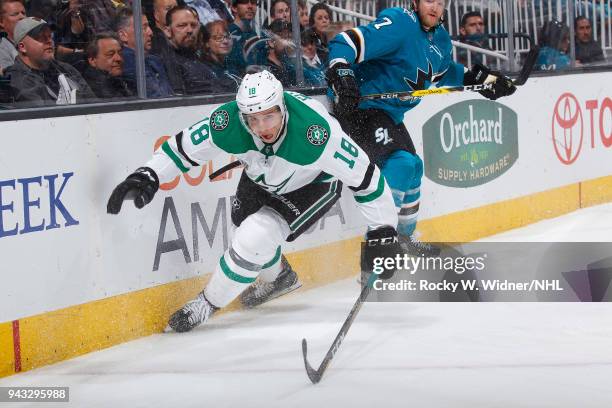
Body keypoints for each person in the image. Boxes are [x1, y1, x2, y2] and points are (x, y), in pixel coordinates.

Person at [107, 70, 400, 332]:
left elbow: (366, 177)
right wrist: (147, 175)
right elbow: (182, 150)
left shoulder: (315, 134)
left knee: (253, 237)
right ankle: (280, 277)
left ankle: (206, 304)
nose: (262, 127)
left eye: (269, 115)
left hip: (312, 183)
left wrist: (384, 230)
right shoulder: (228, 122)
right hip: (262, 174)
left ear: (282, 107)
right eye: (253, 119)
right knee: (241, 230)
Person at [326, 0, 516, 256]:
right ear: (415, 2)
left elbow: (445, 72)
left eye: (440, 2)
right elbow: (345, 42)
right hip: (358, 108)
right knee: (401, 163)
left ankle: (404, 237)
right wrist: (342, 72)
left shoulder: (441, 41)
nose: (435, 7)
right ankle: (380, 241)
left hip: (387, 114)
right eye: (429, 0)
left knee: (414, 167)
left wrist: (484, 80)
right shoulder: (401, 23)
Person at [6, 17, 96, 105]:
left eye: (50, 36)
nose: (49, 41)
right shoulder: (17, 79)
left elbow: (93, 104)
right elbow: (42, 115)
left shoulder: (66, 69)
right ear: (22, 47)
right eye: (41, 37)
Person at [163, 5, 230, 94]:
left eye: (193, 25)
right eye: (182, 25)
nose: (190, 30)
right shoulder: (168, 62)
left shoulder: (198, 58)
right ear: (167, 31)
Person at [115, 7, 174, 98]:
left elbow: (168, 94)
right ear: (123, 35)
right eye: (144, 27)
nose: (150, 32)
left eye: (149, 26)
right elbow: (155, 97)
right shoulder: (125, 61)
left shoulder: (154, 60)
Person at [82, 33, 133, 99]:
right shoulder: (96, 89)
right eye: (110, 54)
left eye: (120, 53)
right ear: (92, 60)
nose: (119, 58)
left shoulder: (118, 80)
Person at [199, 20, 240, 91]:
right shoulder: (203, 69)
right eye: (218, 38)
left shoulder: (231, 64)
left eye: (227, 37)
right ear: (206, 43)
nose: (225, 41)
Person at [0, 0, 25, 71]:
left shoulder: (33, 43)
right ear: (1, 21)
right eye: (15, 14)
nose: (22, 17)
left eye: (23, 13)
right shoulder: (2, 49)